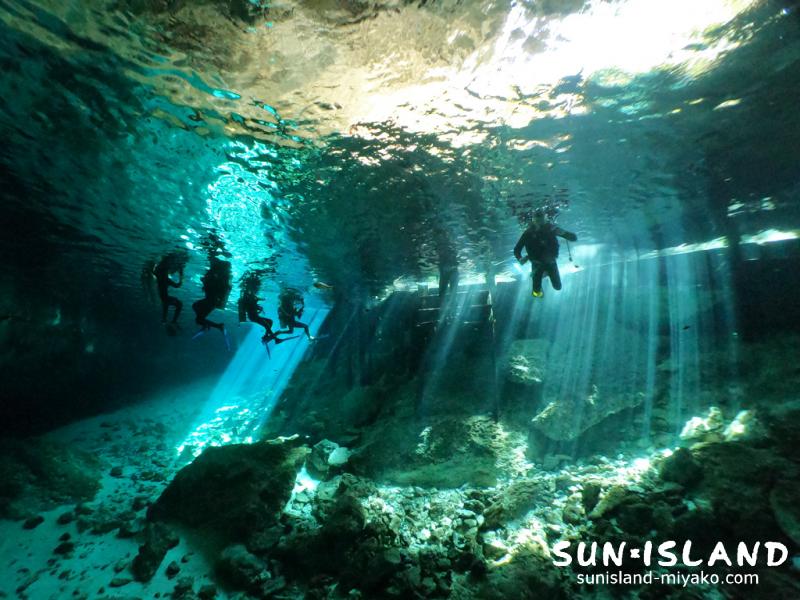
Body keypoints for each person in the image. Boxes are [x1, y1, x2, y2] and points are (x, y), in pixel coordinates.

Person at [513, 210, 577, 297]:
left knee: (558, 287)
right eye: (538, 221)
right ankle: (541, 283)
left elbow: (573, 238)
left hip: (550, 262)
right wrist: (520, 258)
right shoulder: (528, 233)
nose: (540, 224)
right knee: (536, 292)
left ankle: (544, 275)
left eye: (541, 221)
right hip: (537, 264)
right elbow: (517, 250)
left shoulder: (551, 229)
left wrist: (565, 233)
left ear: (545, 219)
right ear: (534, 220)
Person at [238, 273, 294, 346]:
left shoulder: (251, 297)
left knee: (270, 322)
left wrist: (259, 305)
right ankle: (275, 339)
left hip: (255, 316)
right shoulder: (248, 298)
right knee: (267, 325)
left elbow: (253, 304)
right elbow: (248, 305)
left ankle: (265, 336)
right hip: (253, 316)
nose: (254, 292)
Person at [192, 256, 231, 335]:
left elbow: (214, 286)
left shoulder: (216, 274)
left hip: (212, 300)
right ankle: (214, 325)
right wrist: (205, 280)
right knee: (197, 311)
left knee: (198, 316)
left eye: (211, 262)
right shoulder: (216, 274)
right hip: (212, 300)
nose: (210, 264)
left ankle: (216, 326)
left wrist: (206, 280)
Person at [153, 253, 185, 324]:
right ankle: (173, 321)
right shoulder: (165, 279)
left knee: (166, 304)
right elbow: (177, 285)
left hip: (163, 297)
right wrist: (181, 274)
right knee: (179, 304)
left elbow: (155, 272)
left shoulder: (160, 278)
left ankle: (164, 319)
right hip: (165, 298)